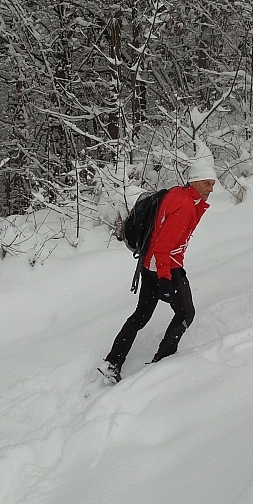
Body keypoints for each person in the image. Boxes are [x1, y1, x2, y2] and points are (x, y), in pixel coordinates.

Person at [98, 157, 217, 384]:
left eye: (212, 183)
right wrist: (164, 279)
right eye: (206, 183)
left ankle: (112, 362)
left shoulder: (179, 195)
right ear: (193, 181)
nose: (211, 189)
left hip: (150, 264)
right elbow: (164, 247)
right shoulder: (184, 207)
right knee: (186, 313)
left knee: (141, 316)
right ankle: (163, 361)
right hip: (165, 267)